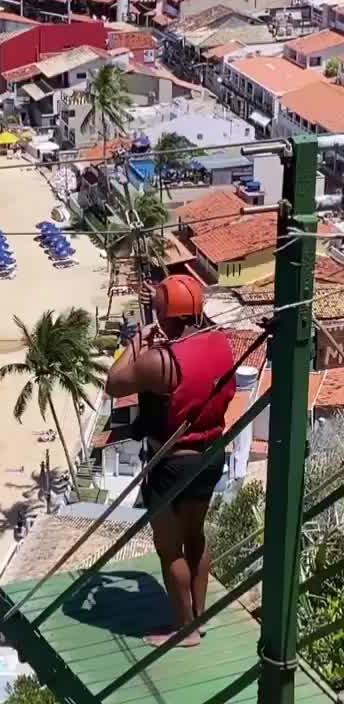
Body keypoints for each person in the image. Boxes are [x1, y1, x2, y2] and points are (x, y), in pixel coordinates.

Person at [105, 275, 236, 649]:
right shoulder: (220, 344)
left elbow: (114, 383)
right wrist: (162, 309)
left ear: (165, 315)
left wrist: (136, 342)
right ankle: (200, 615)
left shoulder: (159, 361)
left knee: (169, 549)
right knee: (196, 535)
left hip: (172, 462)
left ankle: (185, 630)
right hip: (211, 454)